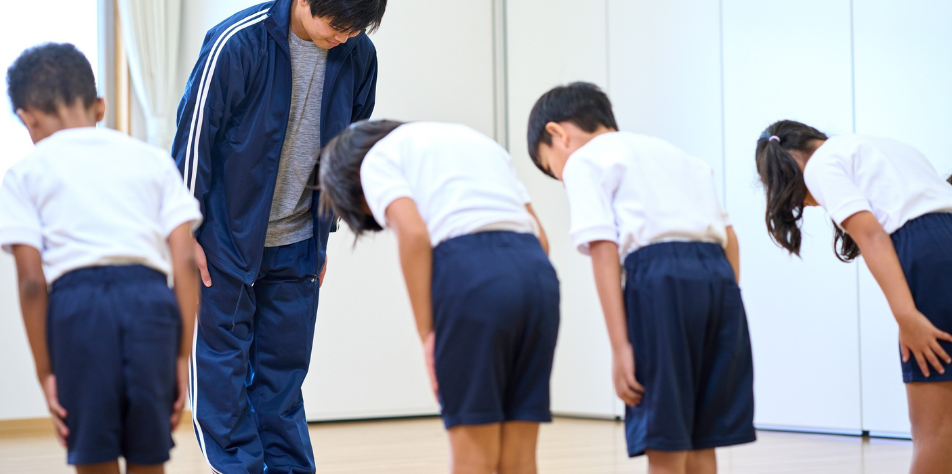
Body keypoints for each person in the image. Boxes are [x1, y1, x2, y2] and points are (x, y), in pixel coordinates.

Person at [172, 0, 386, 473]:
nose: (343, 37)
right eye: (336, 25)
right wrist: (184, 232)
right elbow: (195, 140)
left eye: (356, 30)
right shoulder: (236, 43)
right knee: (222, 378)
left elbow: (347, 155)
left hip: (298, 244)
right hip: (223, 241)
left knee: (282, 379)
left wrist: (323, 239)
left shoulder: (358, 56)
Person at [527, 82, 755, 474]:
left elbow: (604, 251)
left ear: (557, 134)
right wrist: (727, 301)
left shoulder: (584, 160)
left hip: (660, 278)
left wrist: (620, 348)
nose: (561, 178)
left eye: (552, 168)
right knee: (704, 435)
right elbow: (731, 239)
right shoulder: (676, 154)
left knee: (664, 436)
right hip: (718, 279)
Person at [0, 43, 201, 474]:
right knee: (149, 454)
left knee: (93, 453)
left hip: (78, 311)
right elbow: (184, 262)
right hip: (151, 305)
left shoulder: (23, 175)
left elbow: (32, 283)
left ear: (26, 118)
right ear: (100, 107)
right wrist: (181, 356)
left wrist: (45, 374)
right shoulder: (152, 159)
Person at [318, 120, 559, 474]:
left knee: (472, 457)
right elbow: (542, 239)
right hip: (537, 278)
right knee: (520, 458)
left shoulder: (377, 159)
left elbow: (414, 235)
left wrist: (428, 337)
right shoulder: (478, 142)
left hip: (472, 277)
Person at [755, 120, 952, 474]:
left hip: (927, 255)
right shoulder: (882, 146)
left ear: (792, 165)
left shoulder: (819, 164)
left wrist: (906, 316)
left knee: (934, 429)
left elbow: (872, 236)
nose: (810, 204)